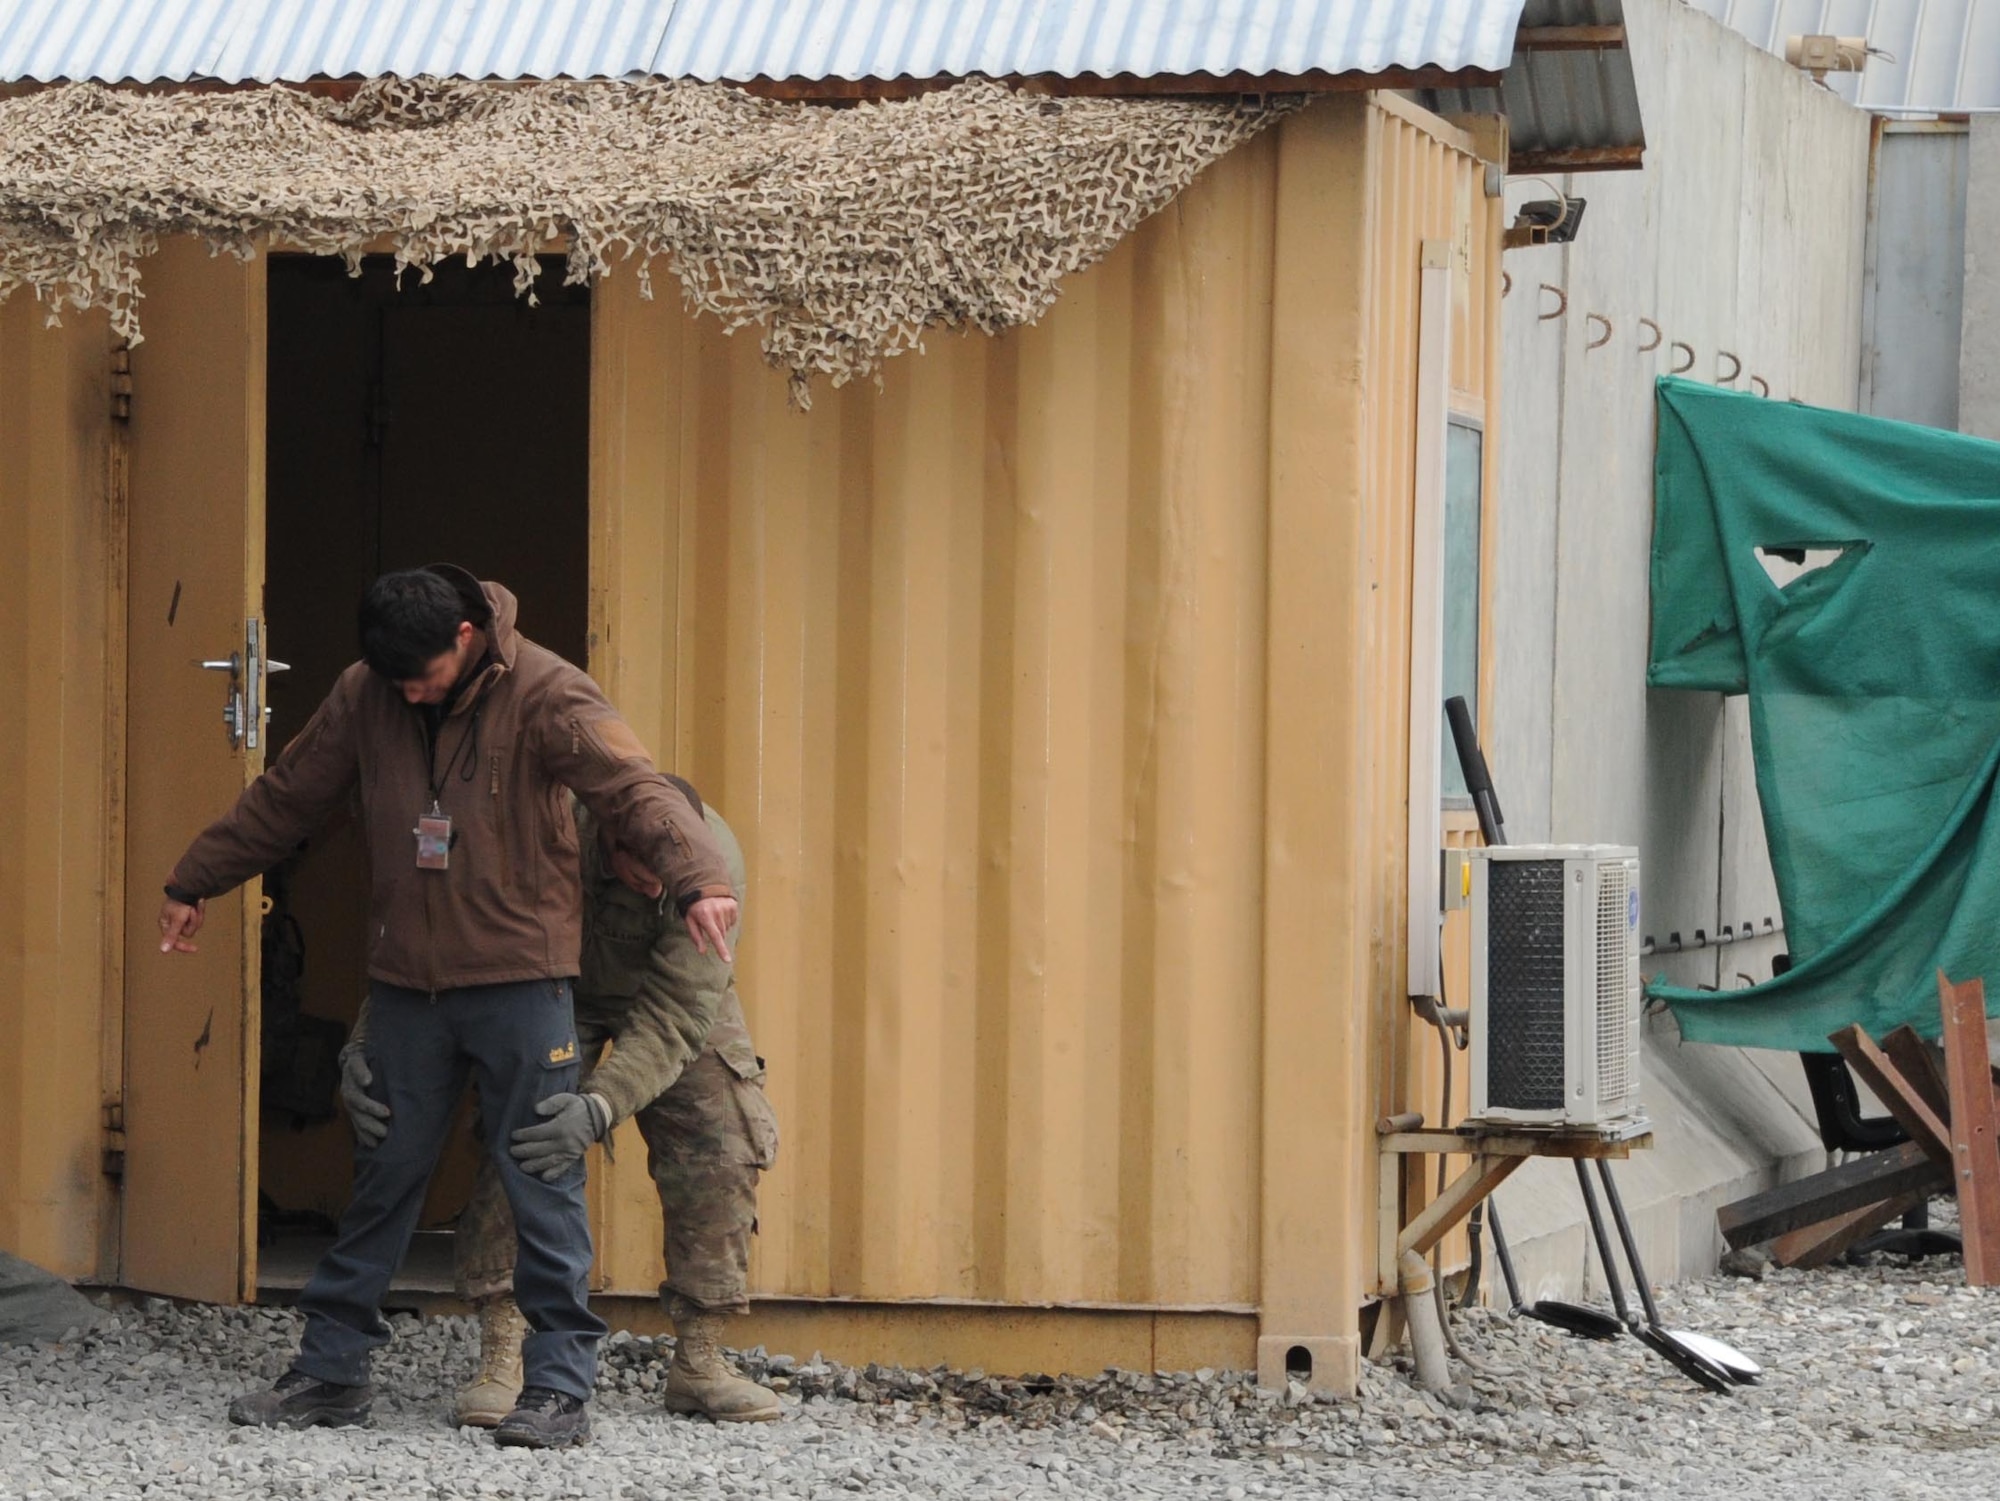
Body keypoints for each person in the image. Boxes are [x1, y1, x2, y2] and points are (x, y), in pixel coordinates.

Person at [157, 565, 736, 1449]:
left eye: (419, 674)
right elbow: (291, 794)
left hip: (523, 983)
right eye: (391, 678)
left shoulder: (548, 692)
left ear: (466, 639)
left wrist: (698, 879)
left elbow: (635, 788)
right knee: (384, 1171)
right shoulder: (367, 692)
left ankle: (557, 1389)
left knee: (542, 1178)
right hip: (407, 987)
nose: (406, 691)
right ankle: (330, 1369)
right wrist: (197, 877)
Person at [342, 786, 781, 1426]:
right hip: (545, 986)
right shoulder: (536, 833)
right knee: (524, 1129)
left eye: (671, 881)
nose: (658, 892)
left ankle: (701, 1359)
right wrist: (369, 1040)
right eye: (642, 876)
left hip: (672, 997)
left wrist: (602, 1105)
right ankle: (503, 1354)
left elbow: (678, 1010)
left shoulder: (714, 861)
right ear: (609, 841)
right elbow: (434, 930)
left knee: (724, 1136)